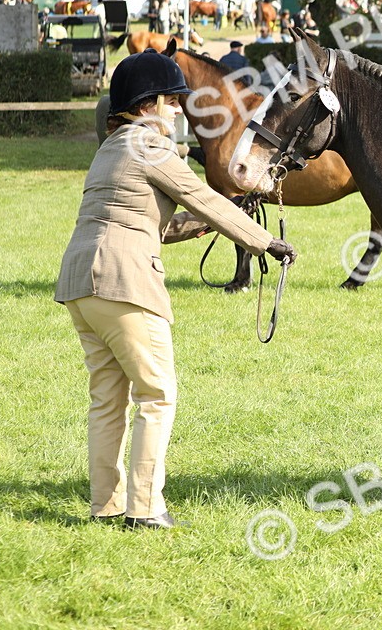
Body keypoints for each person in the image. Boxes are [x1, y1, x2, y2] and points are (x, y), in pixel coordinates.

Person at [54, 49, 297, 529]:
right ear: (146, 105)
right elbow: (204, 196)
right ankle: (145, 510)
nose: (178, 110)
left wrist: (208, 228)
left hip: (82, 284)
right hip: (125, 283)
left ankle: (106, 504)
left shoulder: (111, 149)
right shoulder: (150, 146)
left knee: (108, 399)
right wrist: (264, 241)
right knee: (157, 395)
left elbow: (154, 224)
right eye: (170, 101)